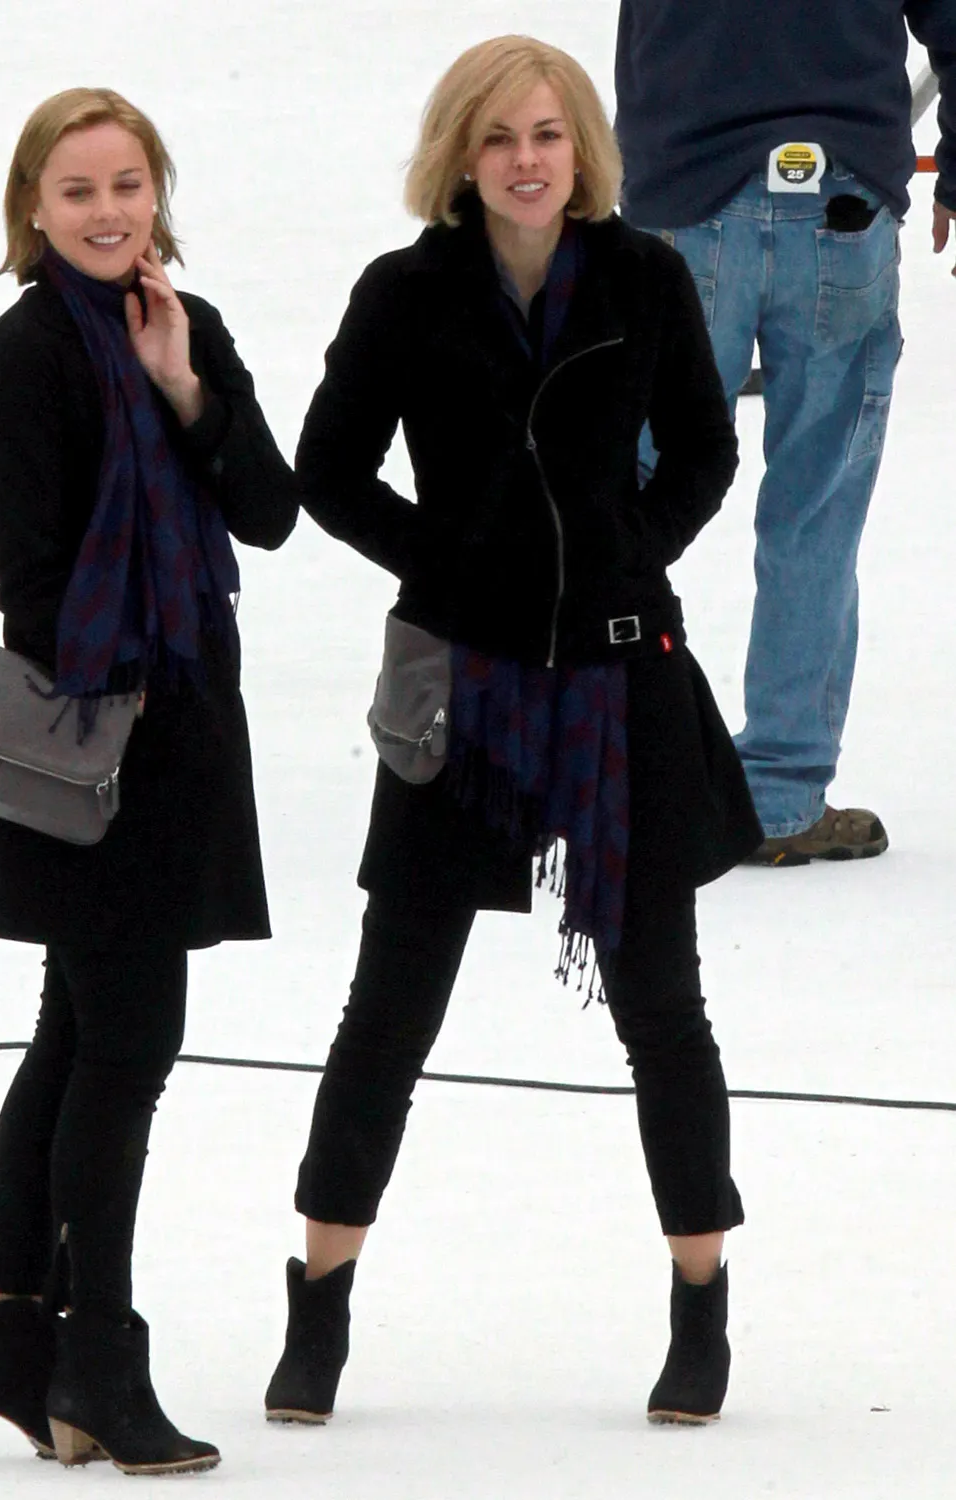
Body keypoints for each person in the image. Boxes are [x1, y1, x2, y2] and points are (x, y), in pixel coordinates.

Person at [263, 36, 762, 1430]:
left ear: (581, 147)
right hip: (460, 688)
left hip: (620, 680)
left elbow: (706, 451)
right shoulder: (405, 290)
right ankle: (317, 1309)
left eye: (546, 134)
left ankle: (700, 1310)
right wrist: (450, 567)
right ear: (460, 155)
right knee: (388, 1009)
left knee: (663, 1012)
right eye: (497, 138)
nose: (525, 160)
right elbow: (327, 471)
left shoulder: (644, 277)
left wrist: (622, 557)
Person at [0, 87, 298, 1475]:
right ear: (33, 207)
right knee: (123, 1052)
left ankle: (4, 1333)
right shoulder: (20, 358)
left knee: (77, 1036)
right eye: (78, 190)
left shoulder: (184, 326)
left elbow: (267, 511)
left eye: (128, 186)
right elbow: (35, 587)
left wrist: (184, 388)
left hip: (182, 738)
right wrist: (127, 670)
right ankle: (94, 1356)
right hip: (89, 757)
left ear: (158, 194)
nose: (107, 213)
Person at [615, 0, 956, 865]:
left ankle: (591, 757)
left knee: (620, 499)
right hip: (843, 200)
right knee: (818, 512)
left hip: (685, 196)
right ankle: (780, 793)